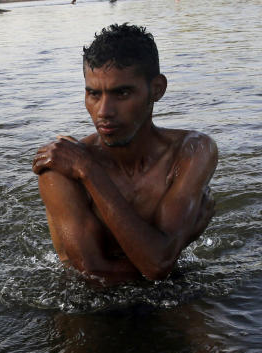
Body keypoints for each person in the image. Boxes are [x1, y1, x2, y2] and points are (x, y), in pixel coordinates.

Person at [31, 23, 217, 285]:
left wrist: (88, 170)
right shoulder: (61, 168)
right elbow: (96, 274)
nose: (104, 111)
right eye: (94, 94)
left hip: (171, 292)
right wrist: (179, 241)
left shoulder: (192, 150)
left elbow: (159, 263)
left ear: (157, 89)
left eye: (122, 93)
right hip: (88, 307)